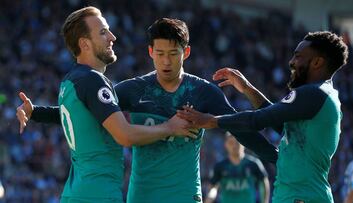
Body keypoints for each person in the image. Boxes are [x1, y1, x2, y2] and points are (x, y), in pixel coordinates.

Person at [17, 18, 278, 203]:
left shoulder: (203, 92)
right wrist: (36, 112)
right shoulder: (134, 89)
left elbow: (240, 128)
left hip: (185, 195)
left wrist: (278, 158)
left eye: (173, 54)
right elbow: (88, 112)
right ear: (150, 52)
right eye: (160, 53)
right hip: (141, 194)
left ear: (185, 52)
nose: (166, 61)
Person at [16, 7, 195, 203]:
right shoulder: (93, 81)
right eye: (103, 32)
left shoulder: (71, 81)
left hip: (75, 193)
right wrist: (170, 127)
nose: (112, 37)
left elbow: (83, 118)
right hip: (98, 194)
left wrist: (35, 112)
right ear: (84, 44)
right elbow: (124, 135)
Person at [177, 31, 349, 203]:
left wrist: (212, 121)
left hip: (302, 198)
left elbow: (259, 120)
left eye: (298, 56)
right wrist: (247, 89)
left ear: (317, 62)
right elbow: (278, 123)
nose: (291, 62)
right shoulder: (323, 97)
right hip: (300, 195)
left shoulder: (313, 93)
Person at [205, 132, 269, 203]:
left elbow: (264, 183)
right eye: (231, 142)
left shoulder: (254, 164)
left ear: (243, 143)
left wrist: (265, 201)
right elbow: (213, 188)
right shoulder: (220, 166)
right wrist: (209, 198)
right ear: (225, 145)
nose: (234, 146)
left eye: (237, 142)